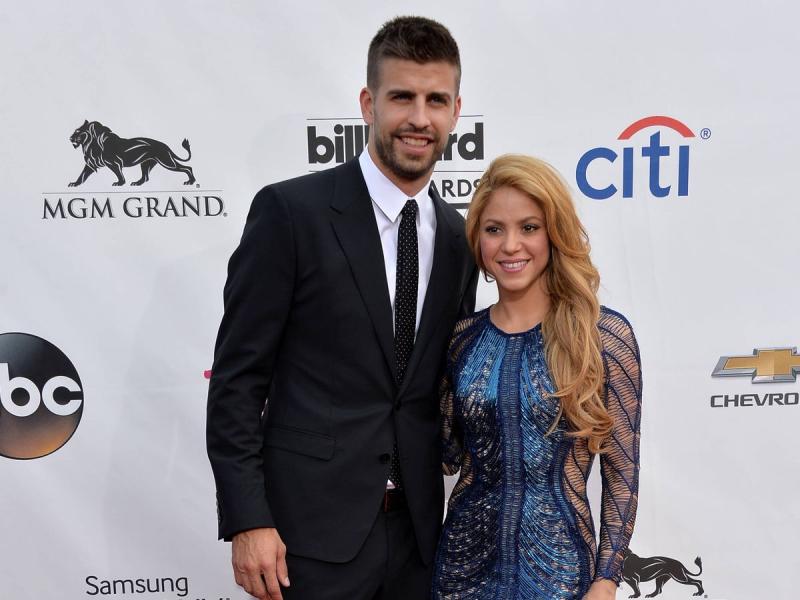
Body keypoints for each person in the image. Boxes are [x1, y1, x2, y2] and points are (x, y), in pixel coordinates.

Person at [206, 16, 477, 600]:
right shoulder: (291, 213)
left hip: (421, 539)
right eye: (401, 96)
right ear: (368, 103)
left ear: (457, 111)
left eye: (436, 100)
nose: (419, 118)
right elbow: (237, 380)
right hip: (309, 537)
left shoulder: (461, 239)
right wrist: (249, 518)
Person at [432, 155, 642, 600]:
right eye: (494, 229)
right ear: (478, 241)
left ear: (554, 234)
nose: (511, 245)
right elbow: (446, 456)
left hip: (562, 574)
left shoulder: (602, 336)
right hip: (463, 569)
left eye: (529, 227)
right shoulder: (461, 340)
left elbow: (622, 471)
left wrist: (606, 579)